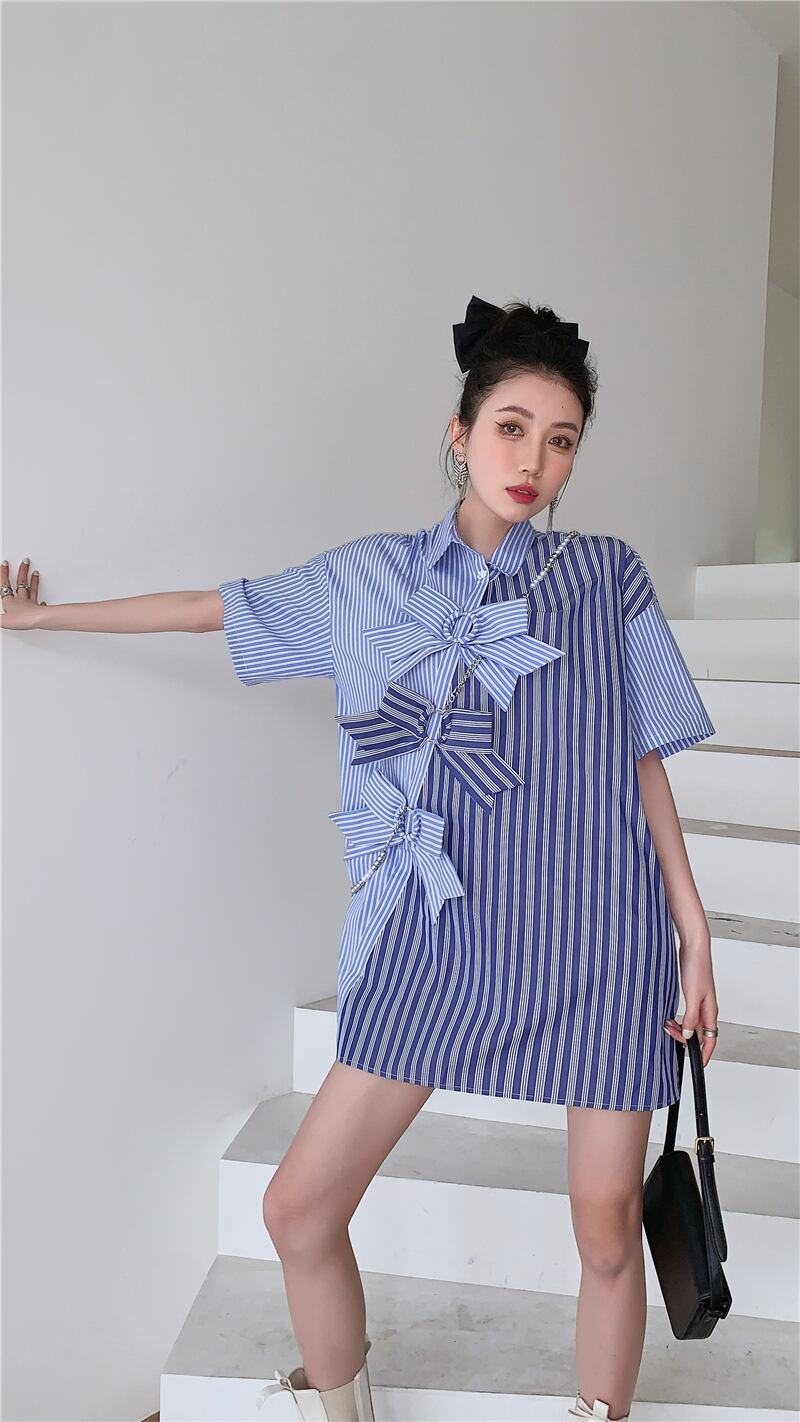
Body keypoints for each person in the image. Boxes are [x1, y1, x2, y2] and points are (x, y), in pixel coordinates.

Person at [2, 295, 721, 1422]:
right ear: (459, 434)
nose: (533, 462)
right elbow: (212, 609)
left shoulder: (607, 578)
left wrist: (693, 931)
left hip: (594, 934)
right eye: (511, 428)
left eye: (561, 440)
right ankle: (343, 1408)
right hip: (435, 937)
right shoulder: (371, 581)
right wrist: (44, 622)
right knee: (298, 1209)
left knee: (605, 1231)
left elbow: (639, 756)